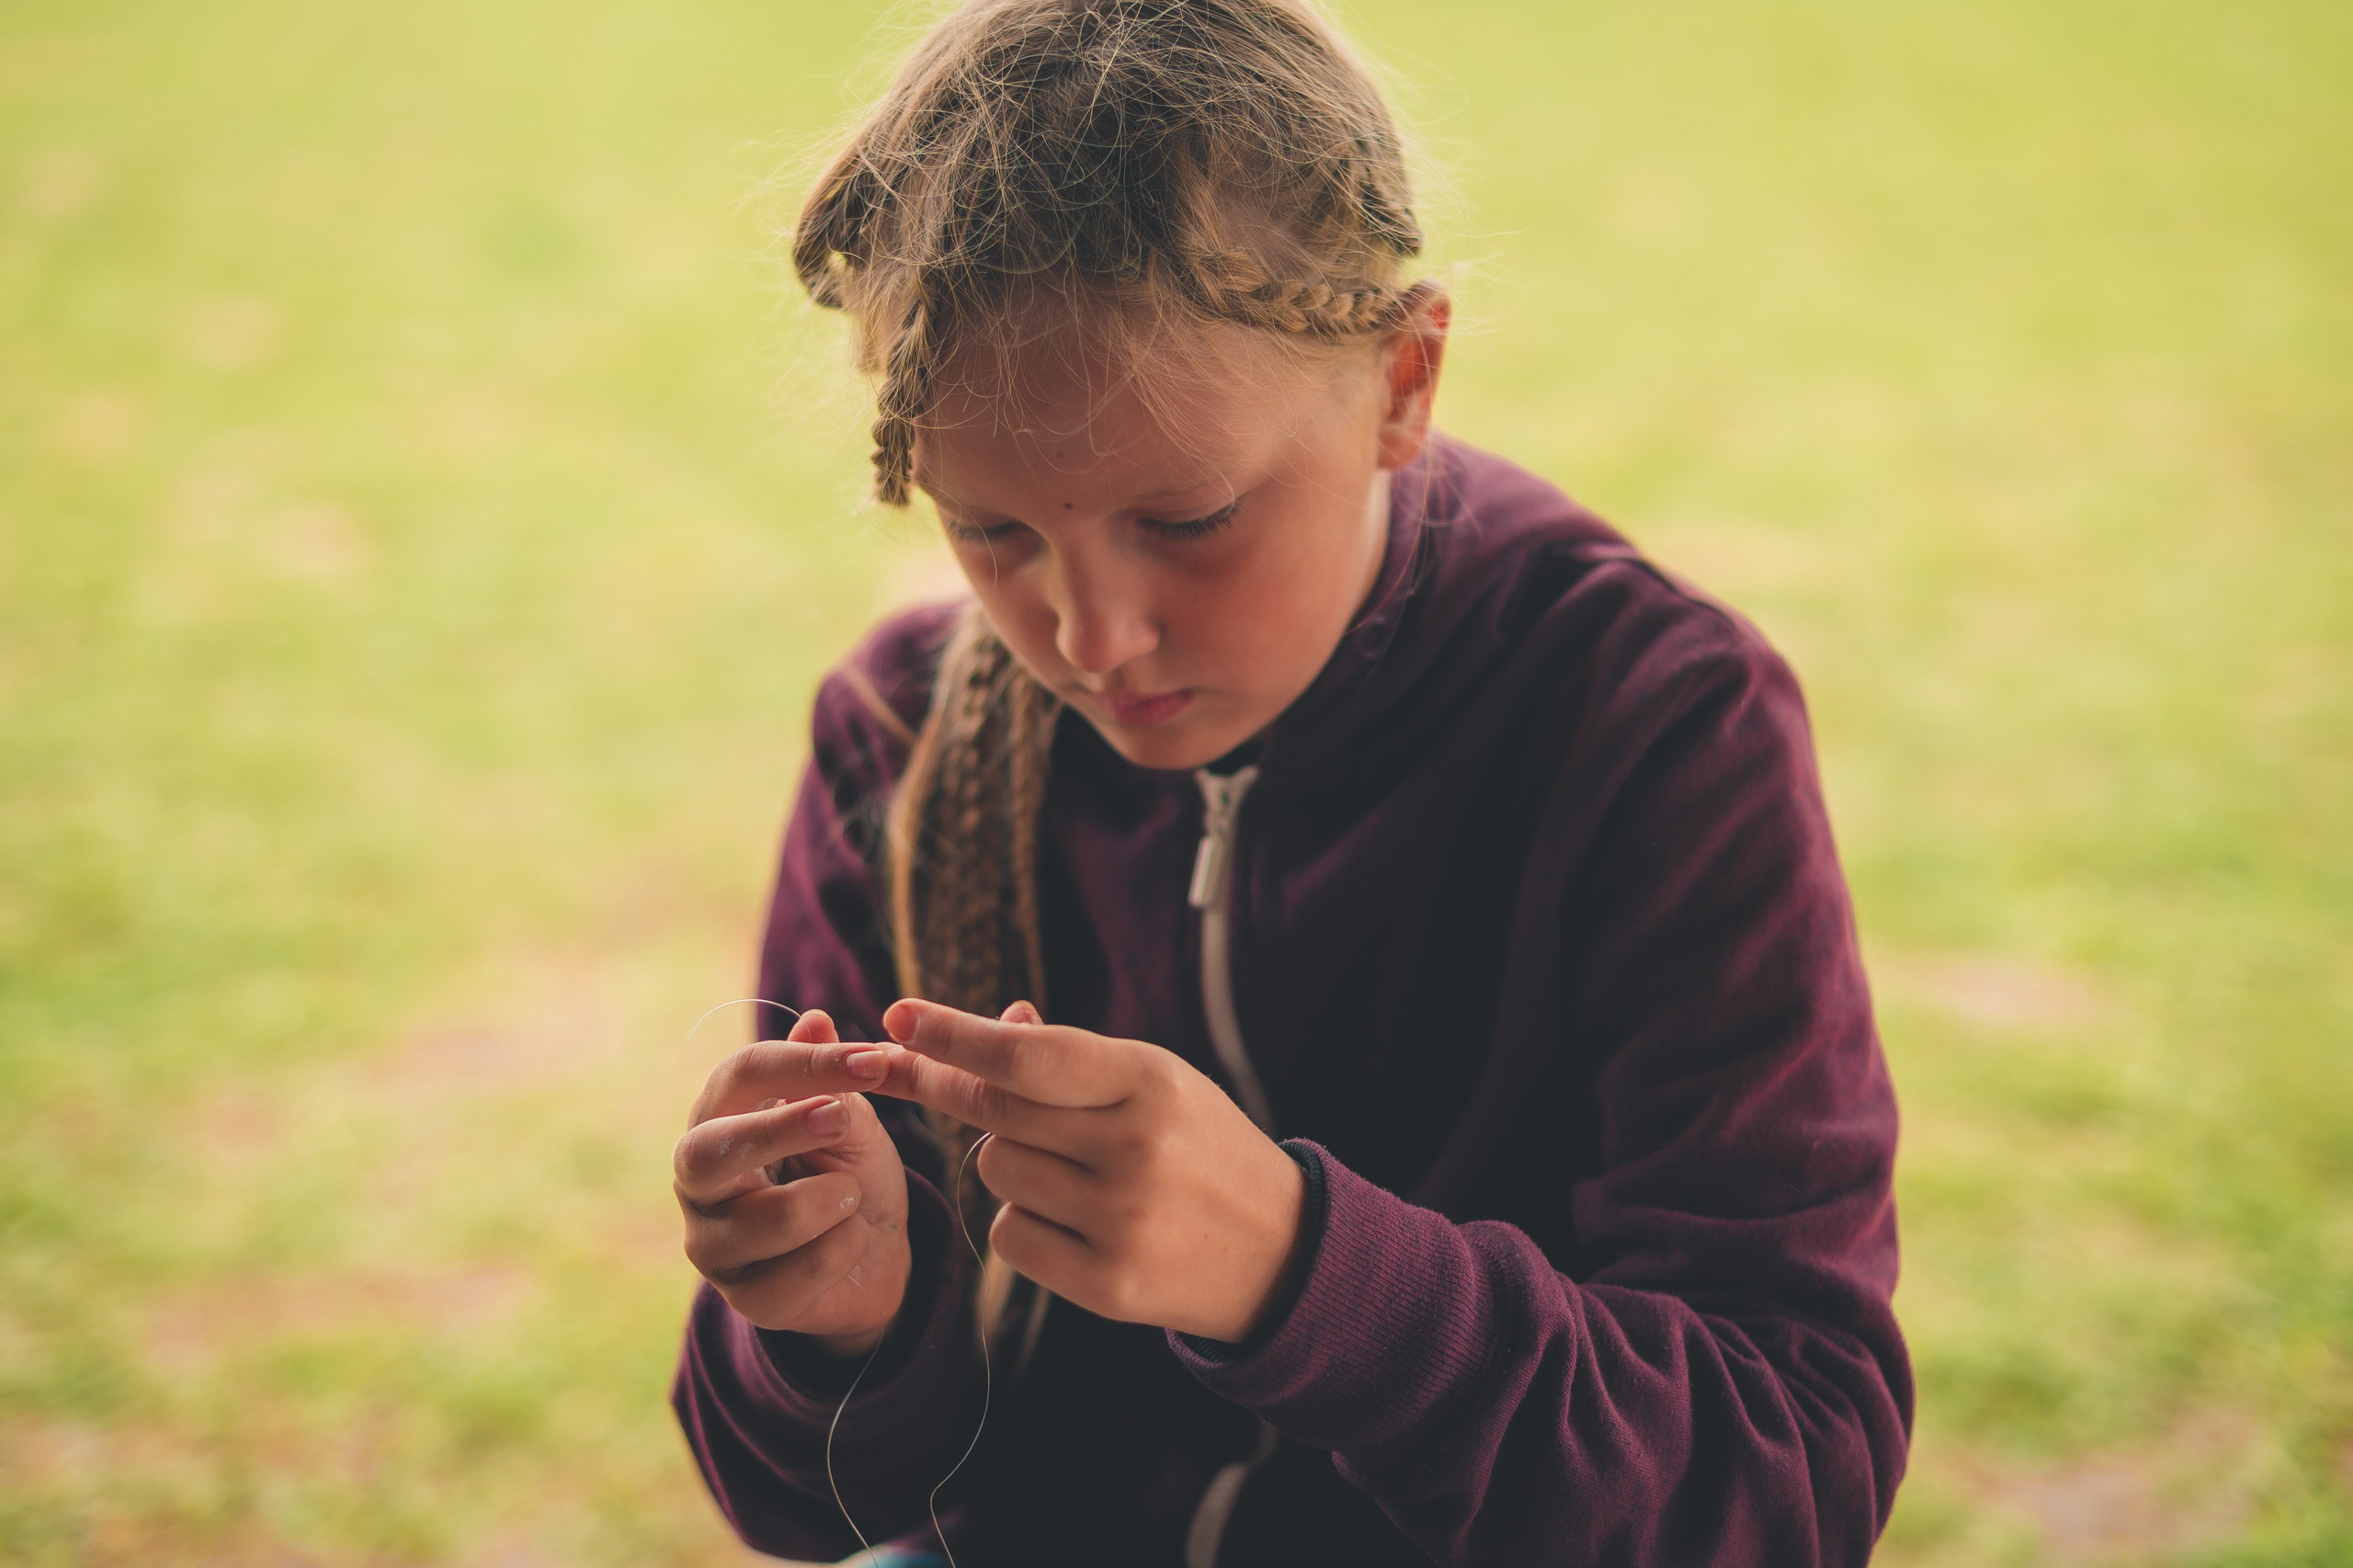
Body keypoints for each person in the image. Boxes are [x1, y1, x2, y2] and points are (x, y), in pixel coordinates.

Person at [668, 1, 1911, 1562]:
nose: (1090, 634)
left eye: (1188, 517)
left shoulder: (1649, 725)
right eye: (992, 532)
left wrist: (1298, 1275)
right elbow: (809, 1508)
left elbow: (1790, 1477)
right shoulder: (902, 745)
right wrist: (827, 1331)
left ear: (1404, 377)